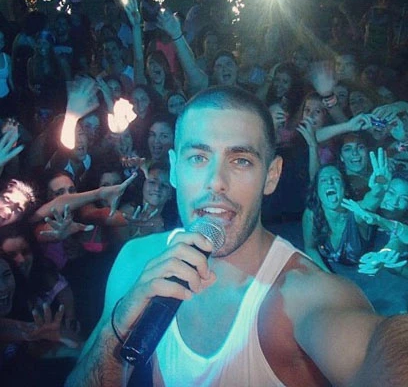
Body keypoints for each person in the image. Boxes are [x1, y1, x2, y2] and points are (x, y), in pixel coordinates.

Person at [67, 85, 408, 387]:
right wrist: (117, 327)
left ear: (271, 175)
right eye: (198, 157)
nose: (216, 181)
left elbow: (374, 352)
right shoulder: (136, 260)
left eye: (241, 160)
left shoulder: (305, 294)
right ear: (174, 169)